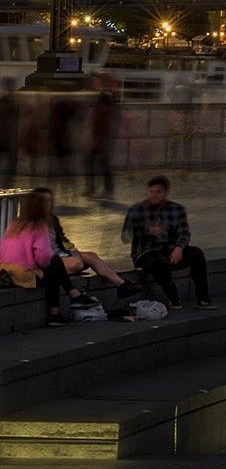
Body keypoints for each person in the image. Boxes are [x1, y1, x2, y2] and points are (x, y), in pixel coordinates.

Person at [121, 176, 213, 309]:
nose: (154, 195)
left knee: (197, 254)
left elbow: (184, 234)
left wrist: (179, 248)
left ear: (165, 193)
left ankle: (203, 298)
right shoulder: (137, 210)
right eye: (151, 191)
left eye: (158, 192)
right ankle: (173, 298)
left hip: (169, 251)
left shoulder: (177, 209)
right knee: (158, 261)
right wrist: (147, 230)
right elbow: (125, 237)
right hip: (145, 253)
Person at [1, 190, 90, 326]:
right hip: (24, 275)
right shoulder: (39, 226)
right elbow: (44, 257)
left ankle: (67, 302)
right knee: (54, 264)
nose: (51, 205)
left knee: (53, 265)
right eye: (48, 202)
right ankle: (68, 301)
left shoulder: (15, 224)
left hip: (6, 271)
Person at [40, 187, 139, 292]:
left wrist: (74, 251)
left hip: (62, 254)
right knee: (77, 264)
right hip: (48, 261)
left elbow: (63, 240)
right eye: (45, 201)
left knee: (91, 256)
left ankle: (122, 285)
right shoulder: (30, 223)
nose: (48, 204)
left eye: (50, 200)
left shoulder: (52, 219)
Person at [83, 76, 118, 197]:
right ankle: (102, 189)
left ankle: (98, 189)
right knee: (101, 164)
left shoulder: (103, 105)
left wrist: (96, 140)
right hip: (101, 140)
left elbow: (102, 125)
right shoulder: (105, 105)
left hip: (101, 140)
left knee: (97, 164)